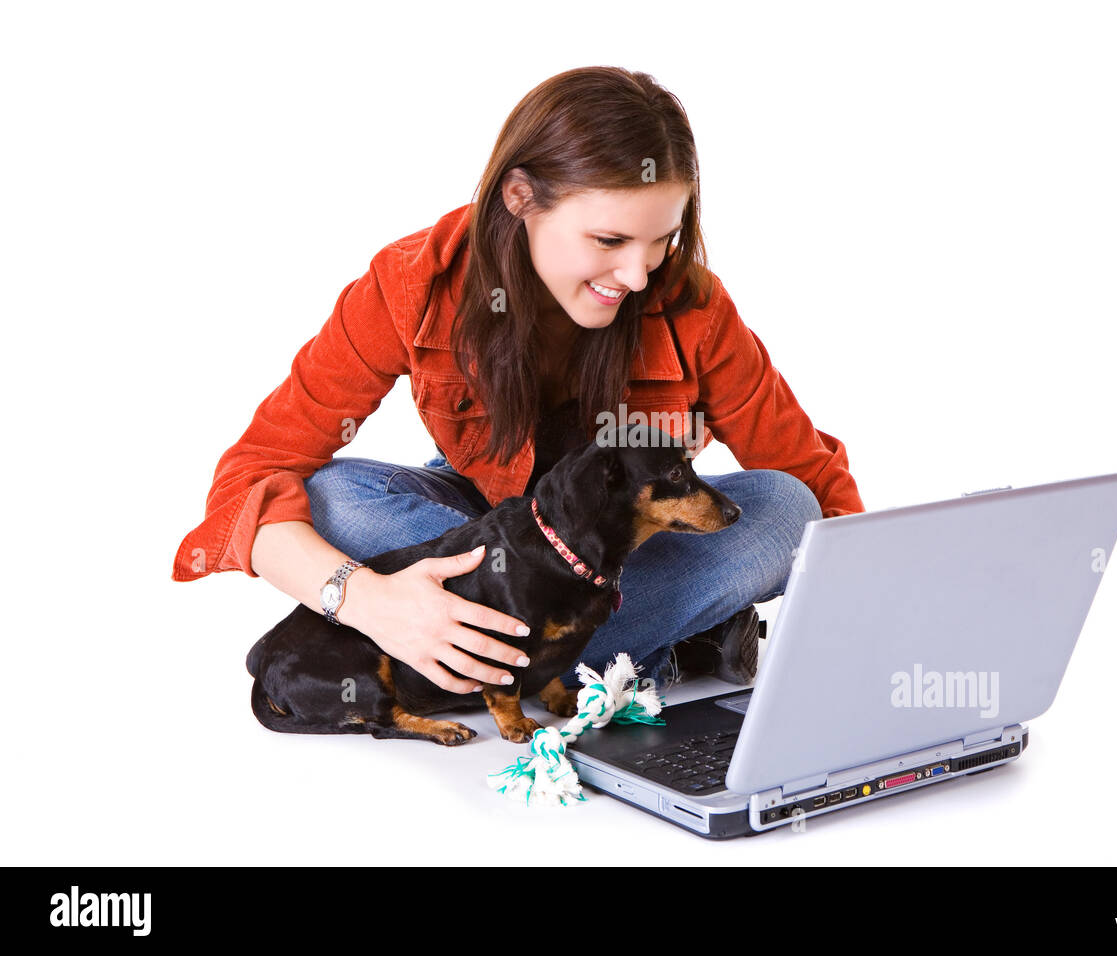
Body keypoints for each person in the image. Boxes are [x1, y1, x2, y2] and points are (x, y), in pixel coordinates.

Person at [172, 66, 864, 698]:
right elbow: (252, 475)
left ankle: (462, 658)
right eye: (610, 241)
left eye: (661, 242)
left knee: (784, 510)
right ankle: (624, 649)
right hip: (481, 520)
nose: (638, 276)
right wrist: (363, 602)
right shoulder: (409, 282)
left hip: (613, 560)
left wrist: (881, 619)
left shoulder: (692, 306)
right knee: (333, 498)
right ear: (520, 197)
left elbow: (808, 476)